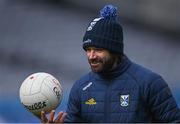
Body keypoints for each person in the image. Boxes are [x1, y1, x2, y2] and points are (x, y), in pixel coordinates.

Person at [41, 5, 180, 123]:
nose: (91, 56)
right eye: (88, 50)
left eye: (98, 50)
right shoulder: (81, 88)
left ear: (115, 50)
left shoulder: (149, 83)